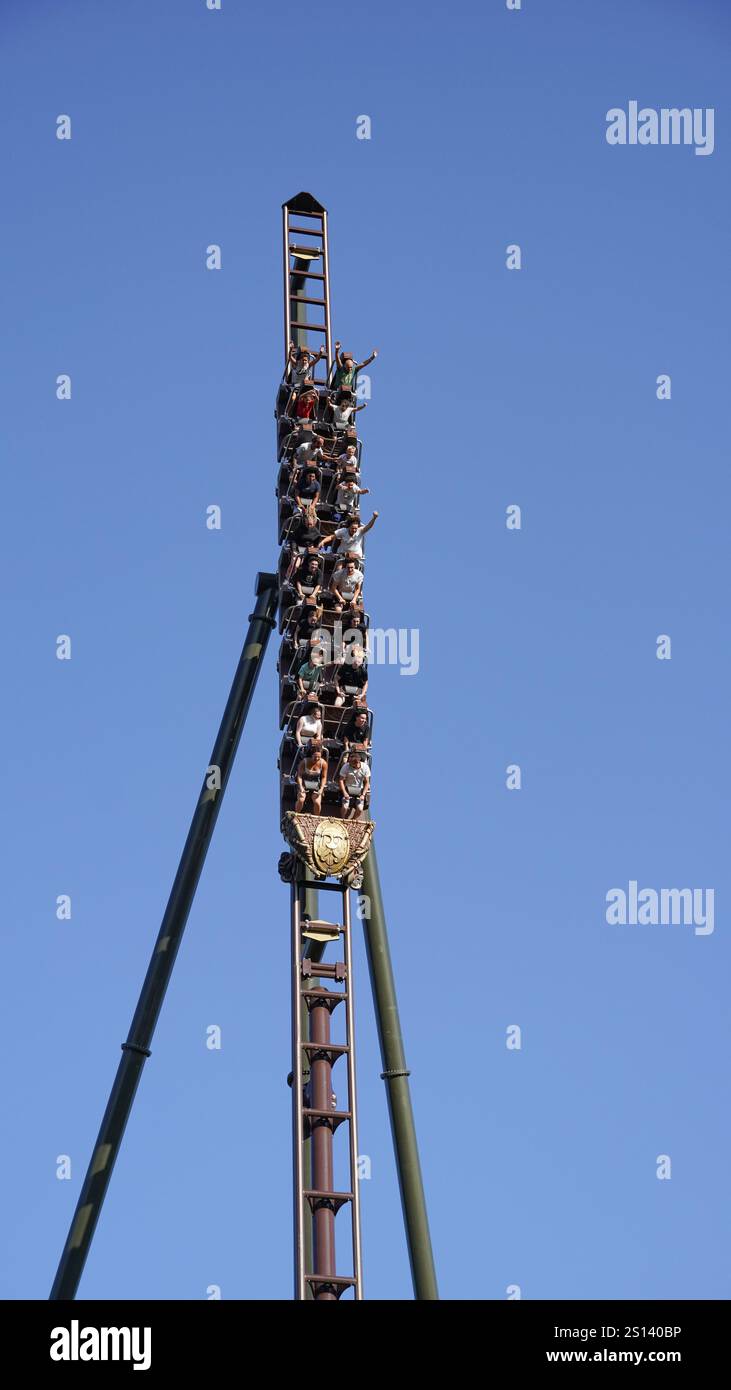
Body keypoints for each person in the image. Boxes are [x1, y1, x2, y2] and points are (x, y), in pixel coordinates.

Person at [284, 509, 328, 583]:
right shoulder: (299, 529)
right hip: (298, 548)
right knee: (296, 564)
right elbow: (293, 541)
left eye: (311, 524)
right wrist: (294, 550)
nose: (309, 526)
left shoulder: (316, 532)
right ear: (305, 522)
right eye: (308, 524)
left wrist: (316, 549)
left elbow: (316, 544)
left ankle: (304, 581)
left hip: (309, 550)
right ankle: (288, 577)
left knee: (310, 564)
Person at [295, 739, 328, 815]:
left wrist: (321, 789)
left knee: (317, 802)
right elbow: (299, 775)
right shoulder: (304, 762)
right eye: (315, 757)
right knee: (301, 799)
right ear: (311, 755)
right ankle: (296, 814)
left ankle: (317, 817)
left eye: (318, 757)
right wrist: (301, 787)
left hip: (316, 783)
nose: (316, 759)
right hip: (304, 782)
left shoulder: (323, 764)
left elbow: (323, 777)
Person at [338, 749, 370, 820]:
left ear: (357, 762)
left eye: (352, 764)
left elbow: (367, 782)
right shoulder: (346, 766)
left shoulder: (365, 767)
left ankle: (353, 819)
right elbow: (341, 780)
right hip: (348, 788)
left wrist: (363, 794)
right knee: (345, 806)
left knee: (360, 808)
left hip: (359, 790)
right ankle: (342, 818)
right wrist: (345, 793)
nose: (350, 764)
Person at [334, 643, 368, 707]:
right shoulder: (345, 667)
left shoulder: (363, 671)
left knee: (359, 705)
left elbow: (366, 683)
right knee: (337, 704)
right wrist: (338, 691)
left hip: (356, 692)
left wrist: (362, 694)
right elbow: (336, 679)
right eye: (355, 662)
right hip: (343, 689)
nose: (357, 664)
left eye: (359, 663)